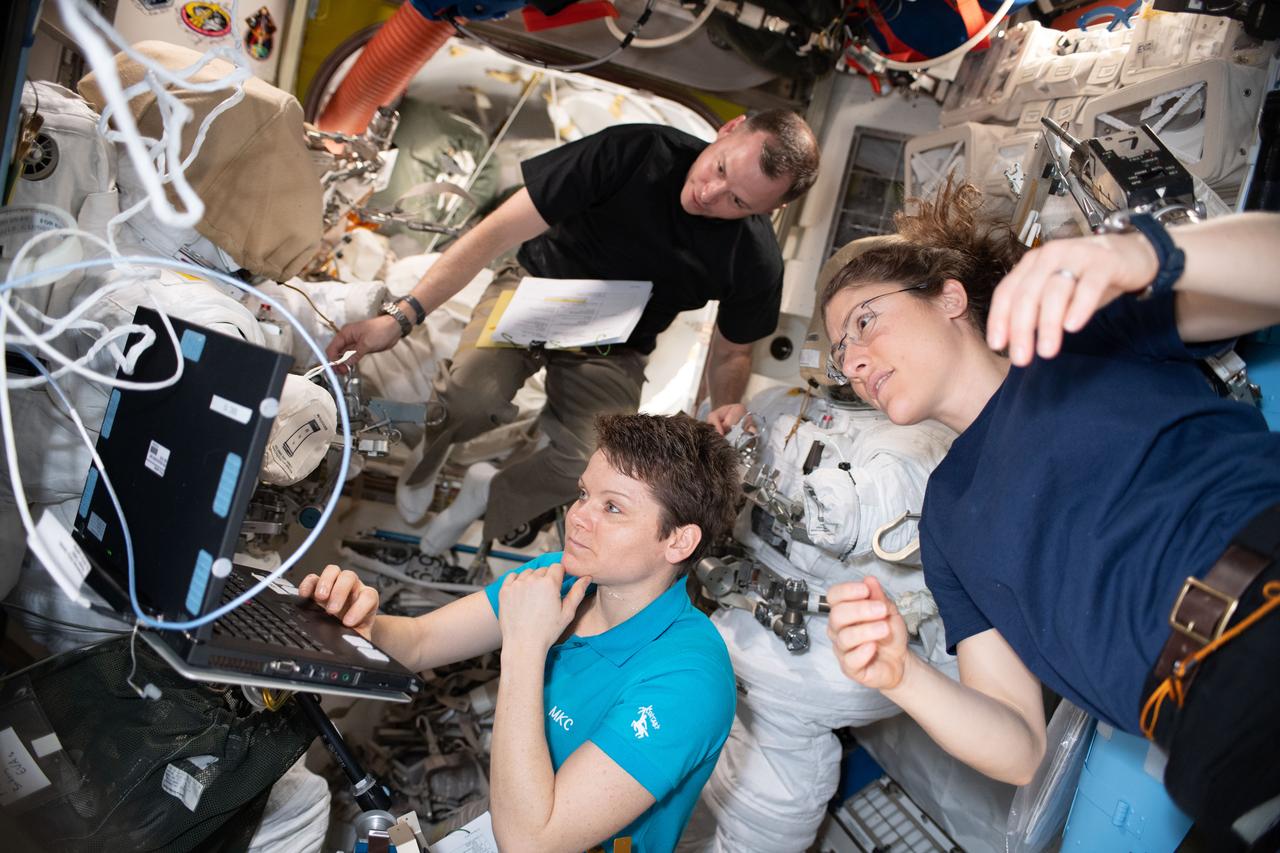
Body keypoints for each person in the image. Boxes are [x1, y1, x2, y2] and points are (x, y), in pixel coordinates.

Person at [820, 181, 1280, 851]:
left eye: (864, 321)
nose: (853, 361)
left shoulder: (1074, 337)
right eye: (840, 354)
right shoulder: (944, 518)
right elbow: (1020, 746)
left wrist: (1145, 256)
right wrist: (902, 676)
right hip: (1203, 731)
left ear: (949, 296)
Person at [323, 112, 820, 539]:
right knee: (471, 397)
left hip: (615, 340)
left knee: (603, 465)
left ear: (767, 211)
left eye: (739, 202)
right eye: (719, 169)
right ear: (728, 129)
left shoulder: (756, 261)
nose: (710, 195)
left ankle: (489, 490)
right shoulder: (634, 152)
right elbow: (496, 231)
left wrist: (725, 403)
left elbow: (732, 352)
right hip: (536, 285)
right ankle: (427, 459)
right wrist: (401, 317)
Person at [299, 413, 740, 852]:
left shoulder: (688, 679)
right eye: (584, 494)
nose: (578, 518)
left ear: (678, 542)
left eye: (612, 507)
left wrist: (525, 645)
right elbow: (419, 641)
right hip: (506, 815)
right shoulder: (559, 576)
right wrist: (363, 623)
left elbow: (531, 843)